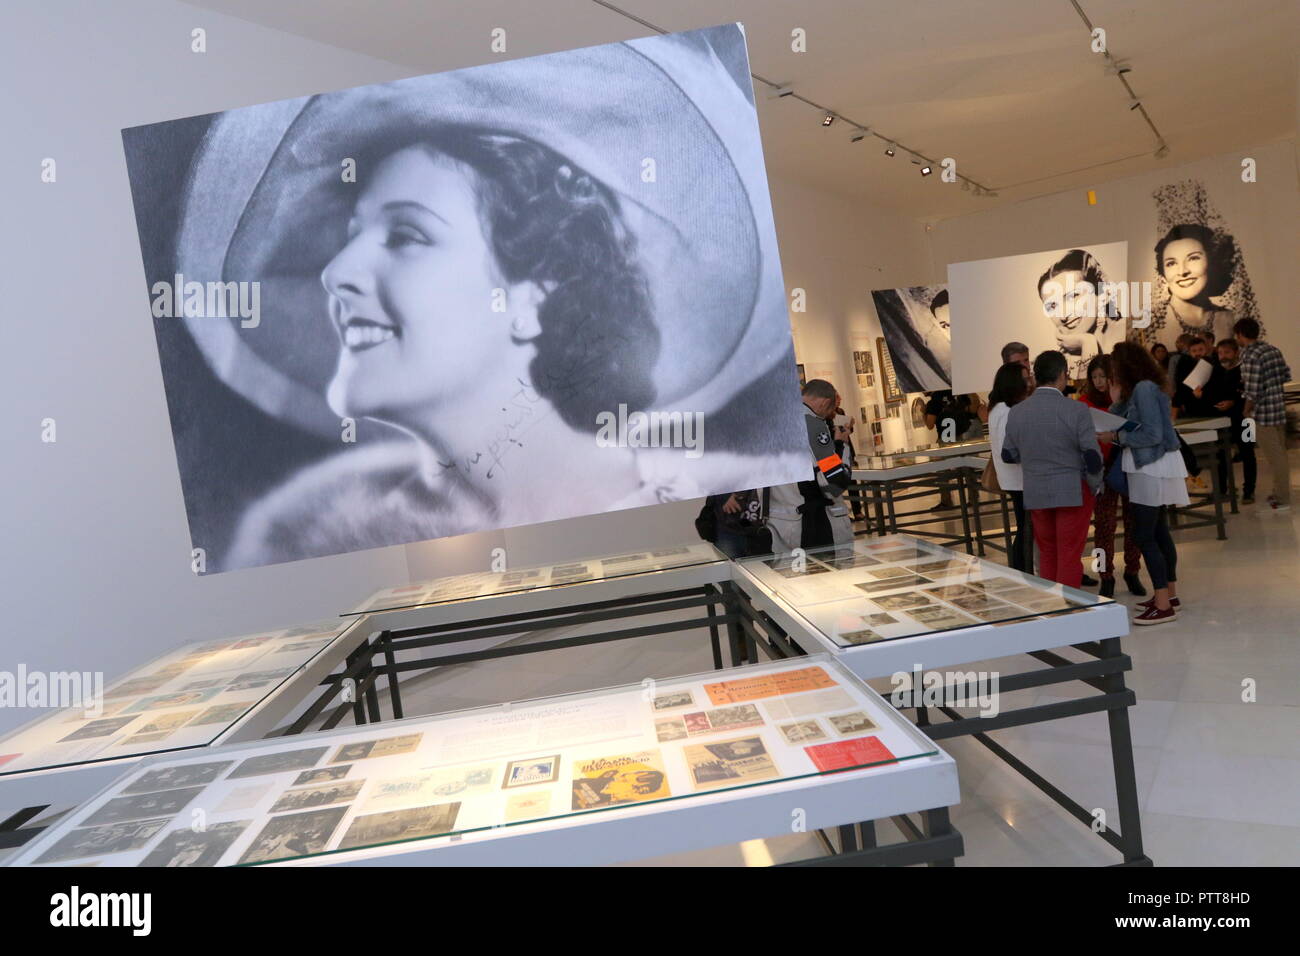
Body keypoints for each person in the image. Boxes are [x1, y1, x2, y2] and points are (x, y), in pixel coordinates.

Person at [1000, 351, 1103, 587]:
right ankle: (1067, 612)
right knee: (1069, 552)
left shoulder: (1017, 412)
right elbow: (1092, 457)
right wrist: (1095, 485)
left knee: (1047, 552)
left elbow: (1008, 454)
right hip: (1072, 491)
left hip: (1036, 490)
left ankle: (1051, 609)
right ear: (1062, 374)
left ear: (1036, 377)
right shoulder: (1076, 410)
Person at [1104, 342, 1186, 625]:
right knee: (1159, 531)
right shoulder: (1143, 388)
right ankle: (1169, 595)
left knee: (1144, 535)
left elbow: (1151, 433)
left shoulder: (1144, 389)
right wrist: (1115, 399)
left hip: (1151, 465)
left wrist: (1116, 440)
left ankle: (1163, 604)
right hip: (1152, 465)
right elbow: (1121, 418)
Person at [1079, 356, 1145, 597]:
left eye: (1102, 376)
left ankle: (1133, 571)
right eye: (1094, 377)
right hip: (1102, 469)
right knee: (1104, 526)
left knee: (1132, 522)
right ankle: (1105, 575)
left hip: (1127, 465)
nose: (1098, 382)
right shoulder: (1084, 403)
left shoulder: (1126, 400)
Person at [766, 380, 854, 552]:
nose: (830, 416)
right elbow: (834, 484)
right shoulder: (813, 426)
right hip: (813, 525)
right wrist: (842, 445)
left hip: (781, 525)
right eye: (831, 410)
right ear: (824, 403)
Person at [1036, 249, 1127, 379]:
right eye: (1053, 306)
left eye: (1073, 296)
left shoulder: (1132, 338)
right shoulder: (1059, 366)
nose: (1063, 316)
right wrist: (1087, 342)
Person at [1235, 317, 1292, 513]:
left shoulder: (1250, 356)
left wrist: (1245, 409)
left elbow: (1253, 391)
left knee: (1275, 458)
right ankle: (1278, 491)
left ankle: (1283, 498)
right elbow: (1286, 375)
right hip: (1278, 408)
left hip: (1263, 413)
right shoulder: (1272, 350)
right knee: (1281, 454)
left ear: (1241, 334)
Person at [1156, 223, 1238, 344]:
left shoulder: (1230, 320)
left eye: (1193, 258)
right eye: (1171, 263)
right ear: (1163, 272)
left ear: (1211, 262)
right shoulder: (1152, 324)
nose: (1183, 271)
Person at [987, 363, 1034, 572]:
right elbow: (1013, 448)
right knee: (1026, 530)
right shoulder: (1007, 411)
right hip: (1019, 479)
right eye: (1024, 378)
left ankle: (1023, 571)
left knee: (1025, 528)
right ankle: (1024, 572)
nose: (1029, 382)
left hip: (1013, 478)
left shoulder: (998, 408)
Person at [1214, 338, 1257, 503]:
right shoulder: (1218, 371)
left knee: (1247, 452)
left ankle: (1249, 491)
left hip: (1246, 418)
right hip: (1224, 420)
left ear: (1236, 353)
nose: (1223, 356)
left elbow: (1251, 393)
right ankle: (1223, 489)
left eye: (1227, 352)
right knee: (1221, 453)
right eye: (1220, 353)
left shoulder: (1245, 370)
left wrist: (1233, 402)